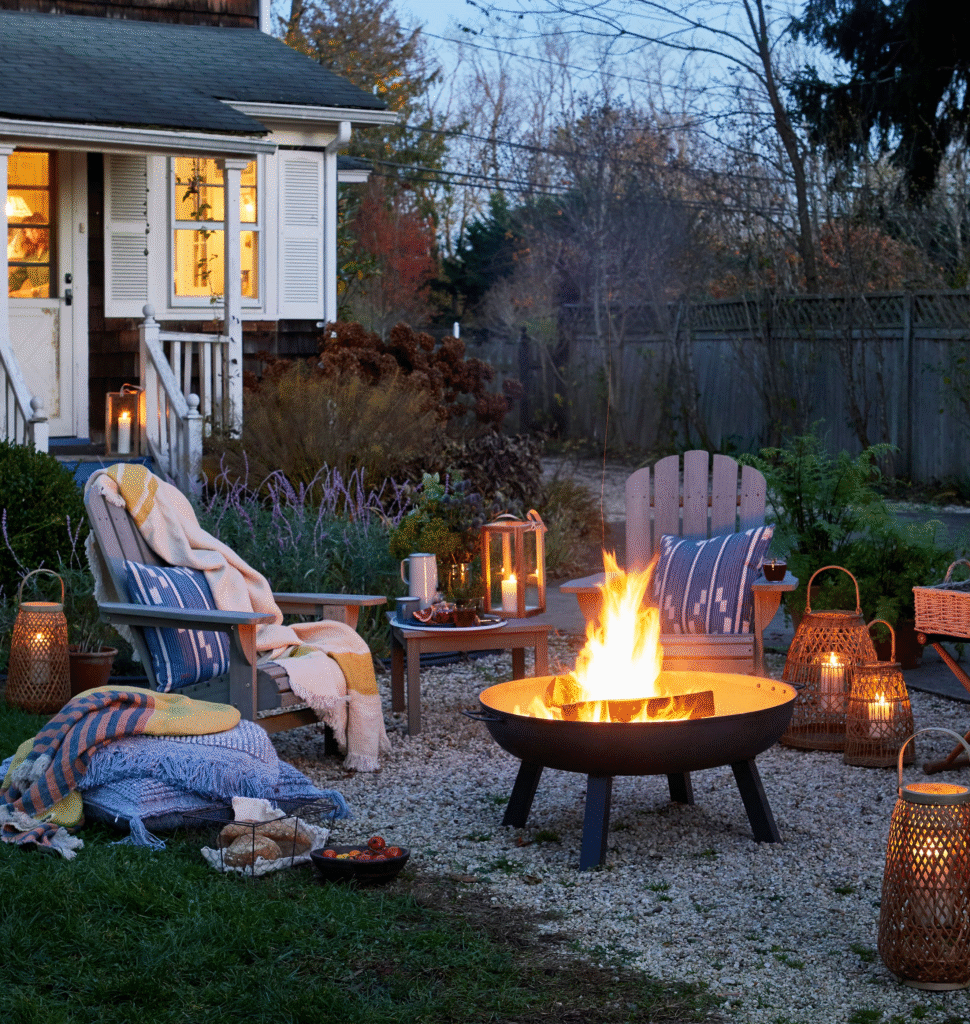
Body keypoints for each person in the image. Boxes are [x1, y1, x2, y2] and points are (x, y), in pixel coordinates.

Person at [8, 211, 50, 297]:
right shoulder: (29, 256)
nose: (26, 235)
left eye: (28, 230)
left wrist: (25, 293)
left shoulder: (53, 252)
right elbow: (16, 278)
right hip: (35, 304)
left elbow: (55, 286)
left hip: (51, 302)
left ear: (38, 229)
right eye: (24, 232)